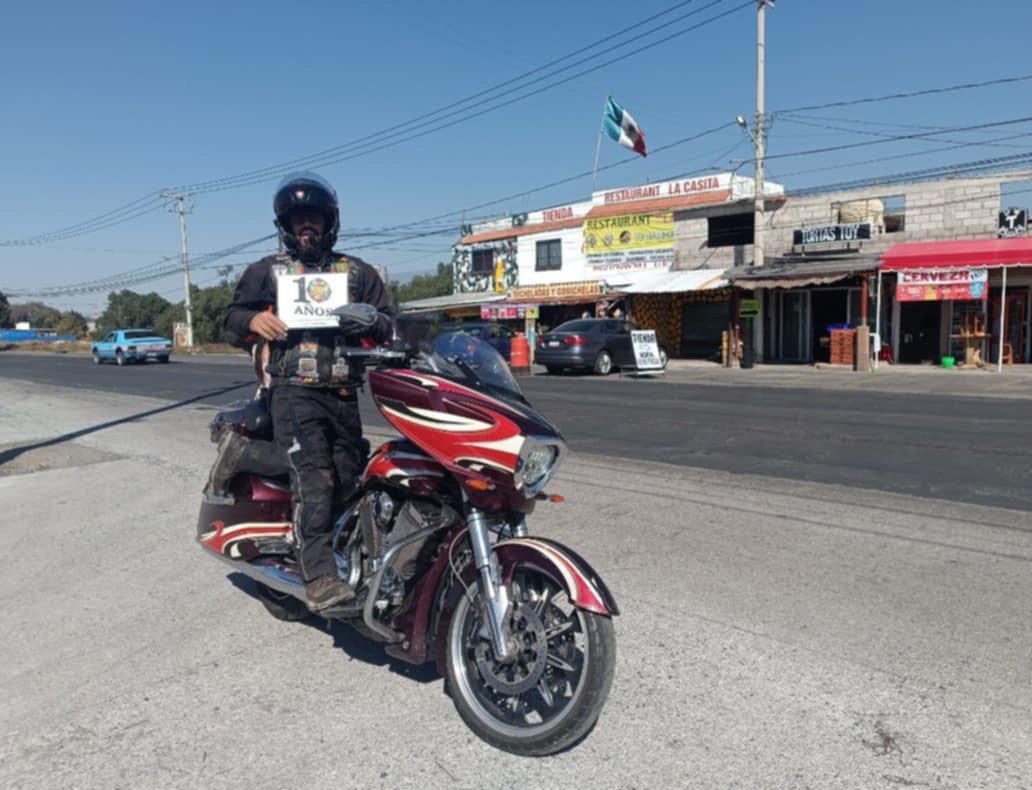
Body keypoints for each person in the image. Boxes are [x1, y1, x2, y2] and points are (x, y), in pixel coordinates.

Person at [223, 172, 393, 611]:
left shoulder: (357, 273)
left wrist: (372, 322)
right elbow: (230, 319)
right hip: (292, 391)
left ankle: (349, 556)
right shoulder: (267, 272)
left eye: (313, 219)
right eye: (298, 220)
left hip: (343, 393)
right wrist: (252, 322)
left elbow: (390, 323)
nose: (306, 227)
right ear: (285, 226)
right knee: (314, 478)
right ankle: (318, 576)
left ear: (329, 221)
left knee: (351, 478)